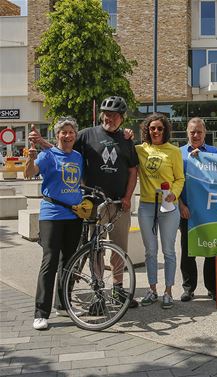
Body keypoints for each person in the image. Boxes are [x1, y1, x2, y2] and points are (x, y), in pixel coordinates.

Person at [29, 96, 140, 308]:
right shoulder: (87, 134)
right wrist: (40, 142)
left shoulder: (126, 139)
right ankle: (98, 291)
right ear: (101, 115)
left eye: (115, 116)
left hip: (119, 204)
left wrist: (127, 197)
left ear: (122, 119)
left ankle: (118, 289)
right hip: (93, 204)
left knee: (119, 249)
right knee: (95, 249)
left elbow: (133, 171)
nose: (111, 118)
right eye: (107, 114)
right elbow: (62, 149)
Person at [24, 117, 84, 330]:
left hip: (74, 216)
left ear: (75, 136)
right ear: (57, 135)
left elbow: (80, 183)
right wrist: (31, 159)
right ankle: (41, 312)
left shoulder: (77, 157)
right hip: (52, 214)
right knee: (49, 261)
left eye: (71, 132)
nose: (67, 136)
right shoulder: (47, 155)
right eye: (63, 132)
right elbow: (28, 174)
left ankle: (63, 304)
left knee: (68, 262)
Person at [136, 113, 184, 309]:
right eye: (152, 128)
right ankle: (152, 289)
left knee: (169, 251)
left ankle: (168, 291)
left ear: (165, 131)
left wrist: (174, 194)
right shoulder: (140, 149)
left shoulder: (174, 151)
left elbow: (180, 178)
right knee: (150, 252)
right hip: (146, 205)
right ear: (147, 129)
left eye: (160, 128)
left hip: (168, 206)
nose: (155, 131)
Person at [178, 117, 217, 301]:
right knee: (188, 250)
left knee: (211, 250)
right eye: (192, 131)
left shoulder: (214, 152)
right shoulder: (178, 154)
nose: (195, 135)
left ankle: (212, 288)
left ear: (205, 133)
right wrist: (180, 205)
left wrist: (201, 160)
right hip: (186, 210)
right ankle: (189, 288)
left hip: (209, 211)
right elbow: (173, 181)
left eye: (199, 132)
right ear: (187, 132)